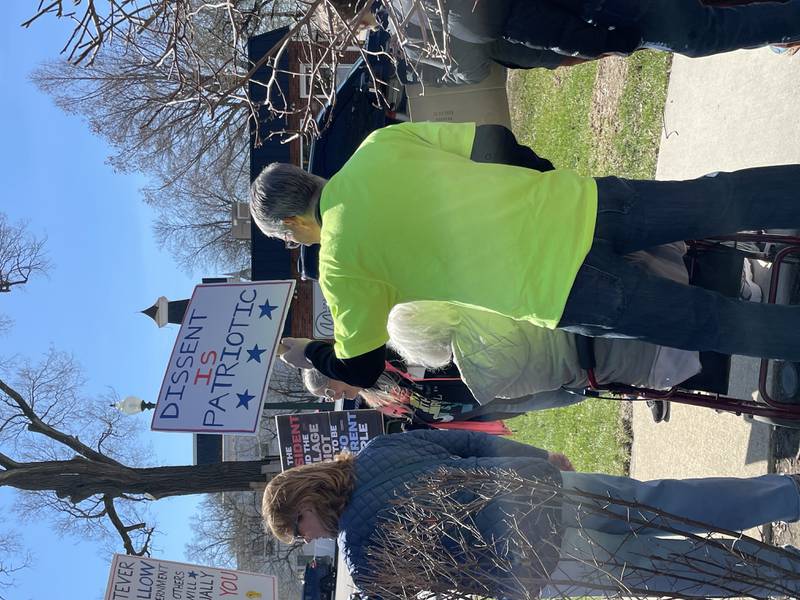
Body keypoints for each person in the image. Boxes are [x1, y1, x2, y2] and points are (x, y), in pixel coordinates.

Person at [250, 121, 800, 390]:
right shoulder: (376, 146)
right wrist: (542, 184)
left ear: (294, 224)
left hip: (560, 289)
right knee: (720, 198)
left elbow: (363, 365)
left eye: (289, 239)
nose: (297, 244)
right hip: (583, 204)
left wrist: (307, 352)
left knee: (714, 324)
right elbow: (494, 140)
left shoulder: (341, 266)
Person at [262, 429, 800, 598]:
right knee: (672, 501)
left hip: (547, 561)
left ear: (305, 504)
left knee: (675, 569)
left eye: (300, 531)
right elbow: (471, 445)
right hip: (548, 491)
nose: (311, 539)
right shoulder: (380, 450)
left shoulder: (363, 556)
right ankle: (786, 492)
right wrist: (538, 459)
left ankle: (785, 572)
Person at [330, 0, 800, 83]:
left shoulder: (437, 16)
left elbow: (539, 29)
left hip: (598, 11)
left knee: (698, 35)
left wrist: (609, 43)